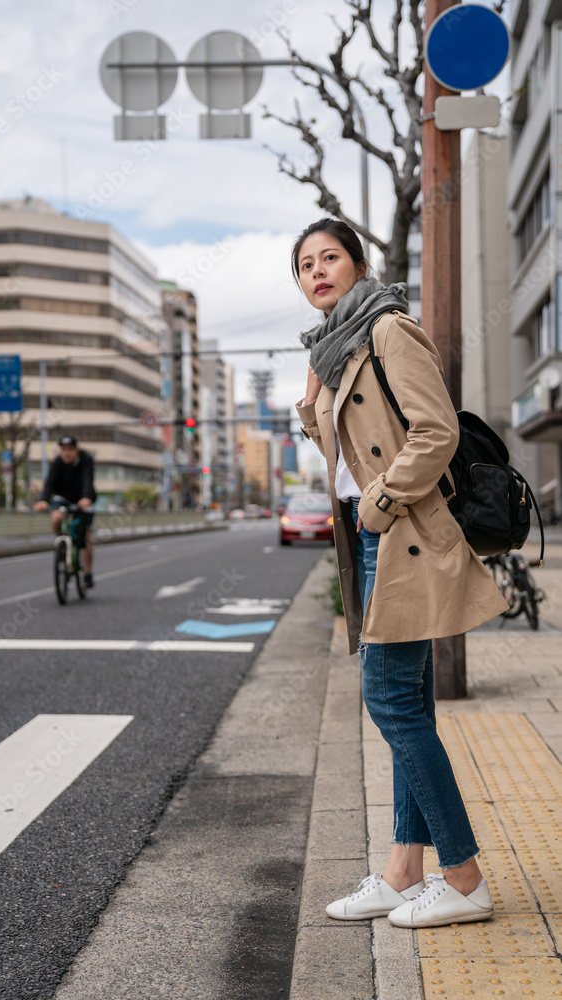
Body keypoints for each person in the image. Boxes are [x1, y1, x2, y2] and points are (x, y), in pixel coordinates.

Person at [293, 218, 508, 929]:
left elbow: (436, 428)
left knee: (387, 703)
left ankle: (464, 876)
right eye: (304, 265)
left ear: (358, 265)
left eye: (329, 258)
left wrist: (383, 499)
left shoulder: (387, 330)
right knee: (408, 709)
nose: (316, 271)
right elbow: (329, 435)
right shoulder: (338, 345)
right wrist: (313, 375)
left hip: (401, 534)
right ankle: (401, 871)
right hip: (373, 542)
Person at [35, 435, 97, 588]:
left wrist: (86, 498)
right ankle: (62, 546)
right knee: (56, 517)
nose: (66, 453)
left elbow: (87, 479)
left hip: (83, 498)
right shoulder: (57, 462)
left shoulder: (85, 459)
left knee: (85, 534)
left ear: (76, 450)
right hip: (62, 497)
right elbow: (49, 482)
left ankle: (87, 573)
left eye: (70, 450)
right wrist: (43, 500)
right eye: (63, 450)